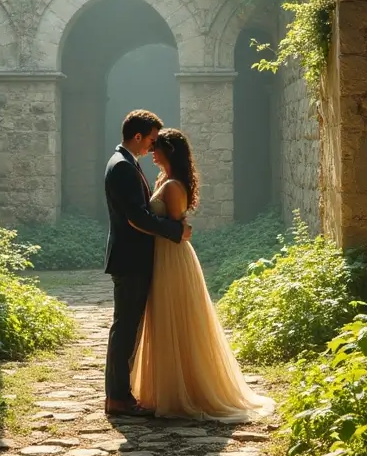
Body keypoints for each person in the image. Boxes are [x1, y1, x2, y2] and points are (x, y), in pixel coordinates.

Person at [130, 127, 274, 421]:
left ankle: (183, 391)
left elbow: (175, 227)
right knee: (165, 319)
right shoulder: (165, 180)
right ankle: (165, 387)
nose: (152, 150)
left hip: (171, 256)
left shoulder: (172, 186)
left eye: (157, 147)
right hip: (165, 255)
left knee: (175, 319)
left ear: (169, 151)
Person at [103, 110, 192, 417]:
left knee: (129, 327)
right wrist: (176, 230)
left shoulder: (128, 164)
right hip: (130, 259)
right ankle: (117, 397)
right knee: (125, 328)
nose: (153, 147)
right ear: (137, 136)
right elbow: (136, 217)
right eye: (152, 139)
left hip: (135, 257)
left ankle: (121, 395)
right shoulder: (123, 167)